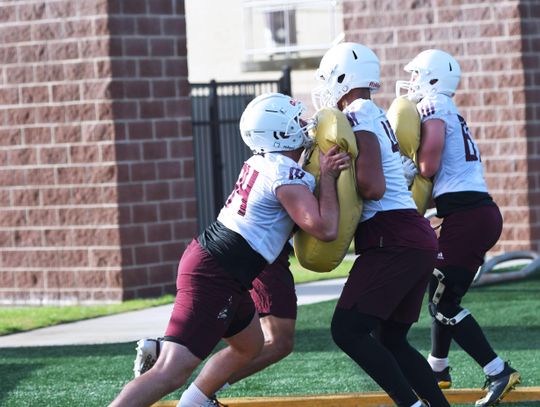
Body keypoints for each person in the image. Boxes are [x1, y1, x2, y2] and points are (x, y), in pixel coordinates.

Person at [108, 92, 350, 407]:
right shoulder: (283, 172)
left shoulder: (265, 162)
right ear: (279, 132)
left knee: (249, 345)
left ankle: (194, 402)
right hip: (217, 273)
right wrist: (329, 177)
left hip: (222, 269)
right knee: (170, 373)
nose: (303, 125)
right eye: (295, 121)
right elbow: (325, 229)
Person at [312, 42, 450, 407]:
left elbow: (373, 186)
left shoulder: (357, 114)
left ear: (343, 78)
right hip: (409, 234)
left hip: (393, 235)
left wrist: (332, 177)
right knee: (390, 338)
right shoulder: (370, 112)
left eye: (329, 79)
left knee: (347, 330)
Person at [396, 49, 521, 407]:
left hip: (469, 216)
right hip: (473, 213)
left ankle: (498, 370)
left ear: (432, 79)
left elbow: (430, 162)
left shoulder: (435, 105)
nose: (413, 83)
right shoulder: (450, 109)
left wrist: (411, 164)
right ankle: (438, 368)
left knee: (442, 302)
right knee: (441, 289)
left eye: (418, 75)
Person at [133, 242, 297, 407]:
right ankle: (198, 392)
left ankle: (193, 390)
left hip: (242, 250)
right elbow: (319, 228)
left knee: (249, 345)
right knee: (277, 341)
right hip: (255, 251)